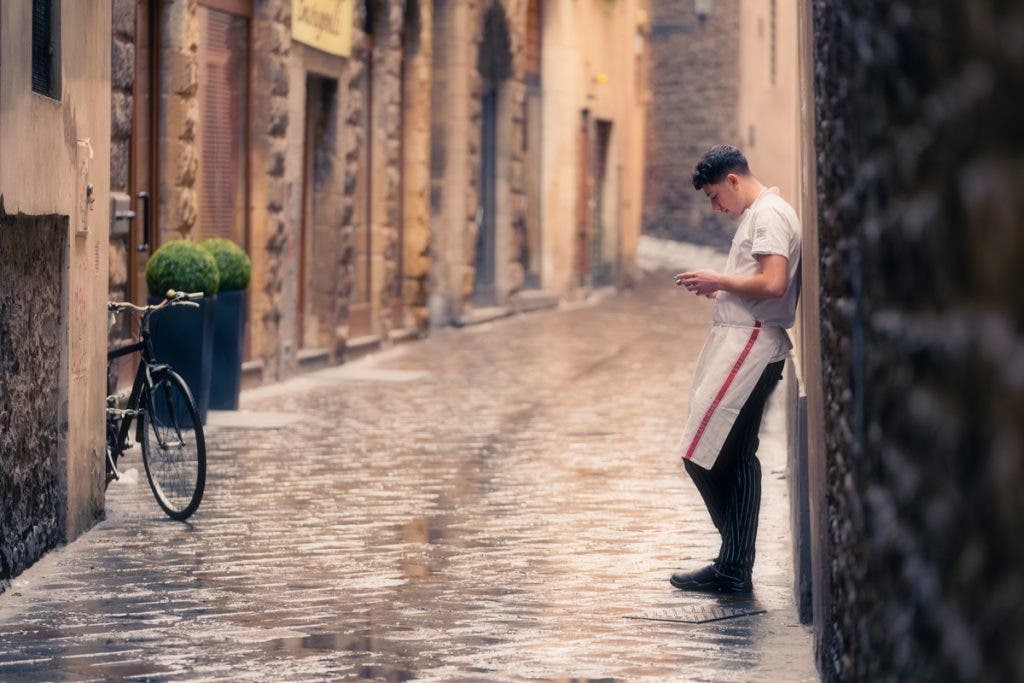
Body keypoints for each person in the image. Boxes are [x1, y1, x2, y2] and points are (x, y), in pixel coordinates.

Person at [670, 144, 801, 594]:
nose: (715, 206)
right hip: (743, 341)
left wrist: (719, 280)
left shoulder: (768, 215)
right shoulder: (760, 214)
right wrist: (722, 290)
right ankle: (734, 563)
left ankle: (734, 561)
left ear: (733, 180)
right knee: (735, 455)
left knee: (700, 452)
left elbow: (773, 282)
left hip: (751, 344)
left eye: (713, 196)